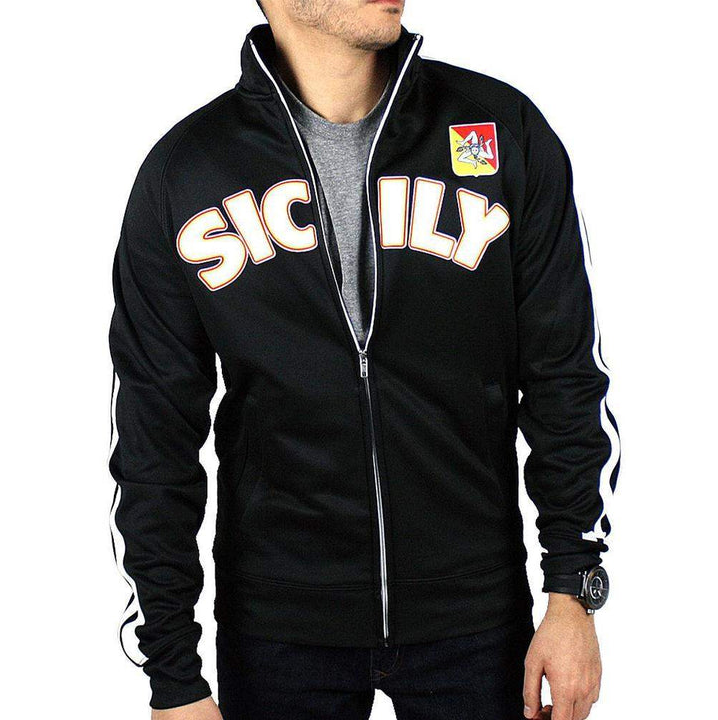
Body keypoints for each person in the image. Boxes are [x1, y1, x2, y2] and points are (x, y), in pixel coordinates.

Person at [108, 1, 620, 718]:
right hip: (279, 626)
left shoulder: (501, 131)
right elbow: (153, 437)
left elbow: (566, 374)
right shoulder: (187, 173)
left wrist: (573, 590)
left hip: (476, 615)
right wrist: (172, 676)